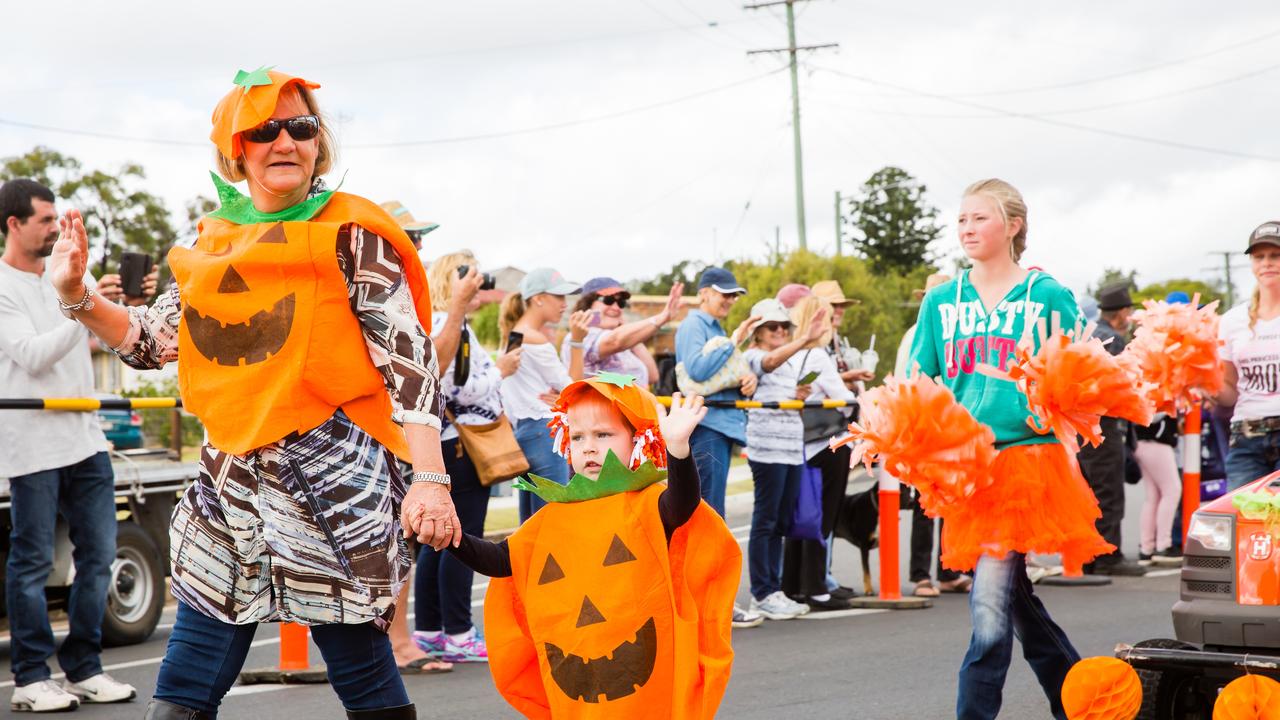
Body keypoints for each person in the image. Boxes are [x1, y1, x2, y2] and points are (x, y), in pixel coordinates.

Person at [47, 69, 461, 719]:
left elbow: (408, 361)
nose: (286, 141)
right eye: (264, 130)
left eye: (301, 126)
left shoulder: (353, 233)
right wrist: (79, 295)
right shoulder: (217, 242)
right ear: (234, 151)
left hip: (329, 485)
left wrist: (430, 478)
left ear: (319, 142)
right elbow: (154, 342)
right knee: (184, 685)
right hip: (230, 487)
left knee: (359, 666)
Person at [909, 178, 1113, 720]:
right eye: (961, 220)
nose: (967, 228)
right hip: (967, 468)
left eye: (980, 218)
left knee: (990, 608)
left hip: (1026, 461)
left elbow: (1086, 378)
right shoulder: (940, 300)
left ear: (1014, 226)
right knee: (1013, 599)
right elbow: (919, 381)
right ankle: (1084, 701)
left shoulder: (1047, 295)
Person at [427, 381, 739, 719]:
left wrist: (678, 448)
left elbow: (682, 504)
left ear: (638, 439)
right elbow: (503, 560)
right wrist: (449, 535)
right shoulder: (552, 517)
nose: (588, 448)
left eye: (603, 435)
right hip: (579, 674)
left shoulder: (649, 505)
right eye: (578, 437)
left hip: (648, 682)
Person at [0, 179, 141, 712]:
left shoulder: (62, 279)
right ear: (13, 223)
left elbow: (106, 337)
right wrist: (78, 305)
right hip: (30, 446)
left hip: (85, 439)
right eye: (44, 220)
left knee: (100, 558)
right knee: (32, 563)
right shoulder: (2, 284)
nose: (55, 227)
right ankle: (31, 677)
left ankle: (84, 668)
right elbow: (32, 355)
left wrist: (102, 304)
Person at [402, 250, 522, 667]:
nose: (478, 282)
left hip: (449, 444)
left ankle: (433, 630)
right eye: (467, 274)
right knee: (461, 538)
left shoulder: (445, 322)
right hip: (459, 446)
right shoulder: (445, 324)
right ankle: (458, 631)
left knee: (437, 544)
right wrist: (501, 372)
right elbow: (456, 388)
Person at [741, 298, 824, 620]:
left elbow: (779, 378)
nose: (779, 331)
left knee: (780, 521)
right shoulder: (753, 355)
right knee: (766, 520)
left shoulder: (789, 362)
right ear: (758, 332)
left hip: (790, 449)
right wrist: (804, 338)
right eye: (771, 326)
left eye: (783, 327)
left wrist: (798, 396)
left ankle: (773, 589)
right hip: (767, 449)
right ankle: (762, 592)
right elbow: (769, 363)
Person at [894, 273, 972, 597]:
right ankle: (920, 574)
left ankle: (949, 570)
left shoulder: (958, 333)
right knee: (925, 503)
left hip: (951, 425)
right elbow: (906, 379)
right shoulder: (915, 334)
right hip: (924, 426)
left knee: (952, 503)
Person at [781, 294, 859, 609]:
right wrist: (857, 398)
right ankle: (816, 587)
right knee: (821, 518)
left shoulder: (787, 355)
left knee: (799, 515)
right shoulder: (817, 356)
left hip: (798, 443)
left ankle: (793, 585)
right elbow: (841, 397)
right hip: (829, 442)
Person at [499, 267, 588, 522]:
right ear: (537, 298)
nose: (564, 304)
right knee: (553, 522)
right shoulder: (536, 339)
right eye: (558, 297)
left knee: (530, 524)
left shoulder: (515, 335)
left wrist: (561, 396)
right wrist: (578, 342)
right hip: (545, 432)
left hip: (525, 433)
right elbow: (574, 390)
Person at [674, 266, 756, 516]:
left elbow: (722, 375)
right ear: (704, 293)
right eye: (725, 294)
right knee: (708, 512)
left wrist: (747, 381)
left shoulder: (715, 328)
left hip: (719, 426)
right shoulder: (693, 325)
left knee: (712, 510)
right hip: (707, 426)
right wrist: (734, 341)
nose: (730, 300)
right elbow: (698, 370)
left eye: (734, 295)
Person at [1077, 283, 1147, 577]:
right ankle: (1108, 554)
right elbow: (1122, 385)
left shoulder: (1085, 335)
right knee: (1109, 491)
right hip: (1104, 422)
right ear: (1122, 313)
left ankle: (1089, 555)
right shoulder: (1113, 340)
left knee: (1089, 491)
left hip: (1081, 423)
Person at [1218, 221, 1280, 490]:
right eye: (1259, 257)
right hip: (1246, 440)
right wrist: (1199, 380)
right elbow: (1229, 392)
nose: (1267, 263)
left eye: (1275, 255)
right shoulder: (1232, 320)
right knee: (1245, 526)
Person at [563, 277, 683, 387]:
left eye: (621, 303)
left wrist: (630, 335)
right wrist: (661, 318)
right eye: (608, 300)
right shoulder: (583, 335)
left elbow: (653, 376)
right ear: (588, 304)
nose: (616, 307)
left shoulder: (620, 341)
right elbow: (614, 341)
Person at [1134, 412, 1181, 564]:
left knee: (1153, 497)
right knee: (1171, 491)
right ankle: (1163, 546)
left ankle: (1147, 549)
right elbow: (1151, 413)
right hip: (1155, 440)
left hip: (1144, 440)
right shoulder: (1157, 388)